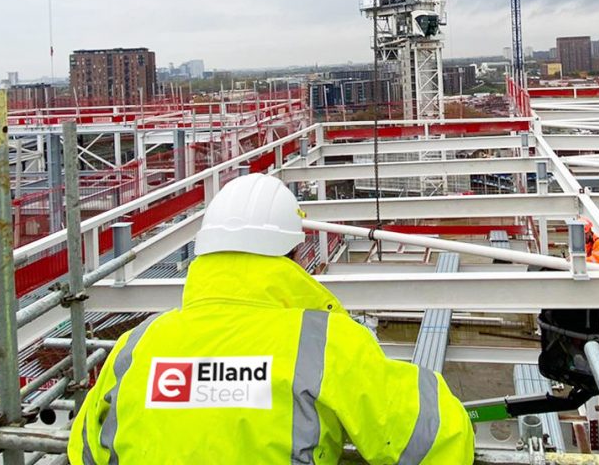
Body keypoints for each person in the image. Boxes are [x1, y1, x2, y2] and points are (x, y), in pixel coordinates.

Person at [69, 173, 474, 464]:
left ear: (205, 253)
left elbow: (85, 447)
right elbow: (431, 436)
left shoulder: (138, 345)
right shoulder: (321, 343)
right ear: (294, 257)